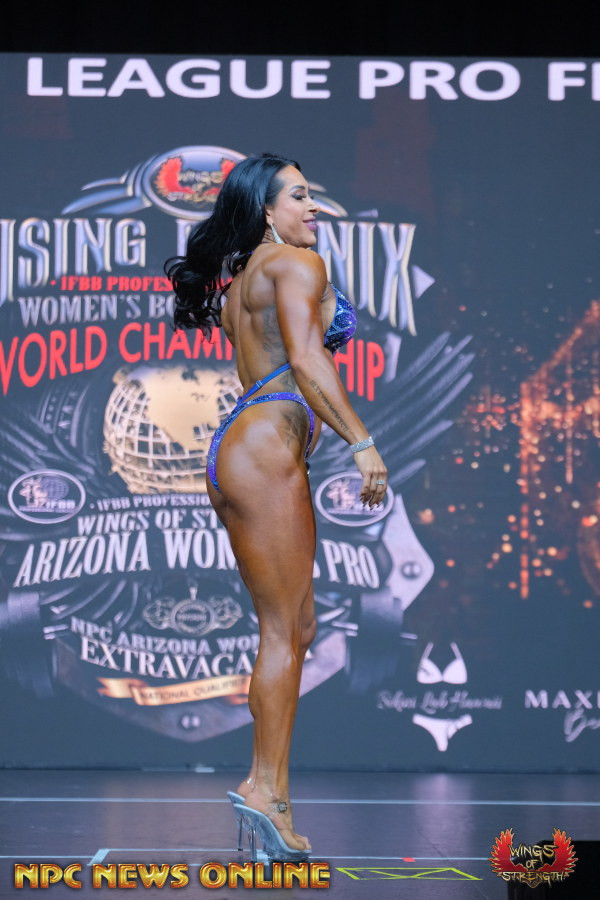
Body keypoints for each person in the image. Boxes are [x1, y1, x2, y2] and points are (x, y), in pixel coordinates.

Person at [166, 153, 387, 860]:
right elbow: (309, 358)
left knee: (298, 625)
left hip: (249, 444)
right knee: (282, 631)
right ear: (266, 209)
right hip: (263, 448)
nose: (312, 207)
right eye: (299, 196)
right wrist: (362, 443)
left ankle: (271, 793)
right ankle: (266, 791)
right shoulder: (295, 263)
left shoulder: (245, 278)